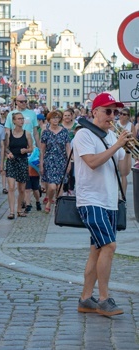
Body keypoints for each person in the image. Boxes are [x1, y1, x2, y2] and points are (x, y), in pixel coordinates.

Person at [75, 92, 129, 317]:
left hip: (109, 200)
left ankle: (86, 298)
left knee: (97, 250)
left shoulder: (110, 137)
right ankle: (104, 299)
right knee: (109, 246)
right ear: (95, 112)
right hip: (91, 199)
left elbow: (124, 171)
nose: (112, 116)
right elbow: (93, 163)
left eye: (115, 112)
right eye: (108, 111)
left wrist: (128, 149)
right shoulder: (84, 135)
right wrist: (117, 146)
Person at [39, 111, 71, 213]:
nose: (55, 120)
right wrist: (41, 164)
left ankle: (59, 205)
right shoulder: (46, 132)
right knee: (52, 186)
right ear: (49, 120)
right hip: (49, 161)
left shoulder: (64, 131)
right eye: (53, 118)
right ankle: (49, 200)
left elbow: (68, 148)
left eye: (57, 118)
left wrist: (69, 162)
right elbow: (42, 150)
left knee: (60, 186)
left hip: (62, 161)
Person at [3, 112, 33, 219]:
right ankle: (11, 211)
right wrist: (8, 153)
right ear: (14, 121)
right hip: (12, 161)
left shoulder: (27, 133)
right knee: (11, 187)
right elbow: (6, 147)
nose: (21, 120)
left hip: (22, 161)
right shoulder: (9, 133)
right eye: (19, 119)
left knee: (21, 189)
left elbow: (31, 148)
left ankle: (19, 209)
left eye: (22, 118)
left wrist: (26, 150)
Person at [116, 107, 133, 194]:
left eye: (124, 114)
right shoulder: (115, 124)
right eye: (121, 114)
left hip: (126, 150)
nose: (122, 116)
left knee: (124, 174)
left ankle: (123, 196)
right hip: (117, 149)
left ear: (128, 116)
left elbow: (133, 139)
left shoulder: (131, 125)